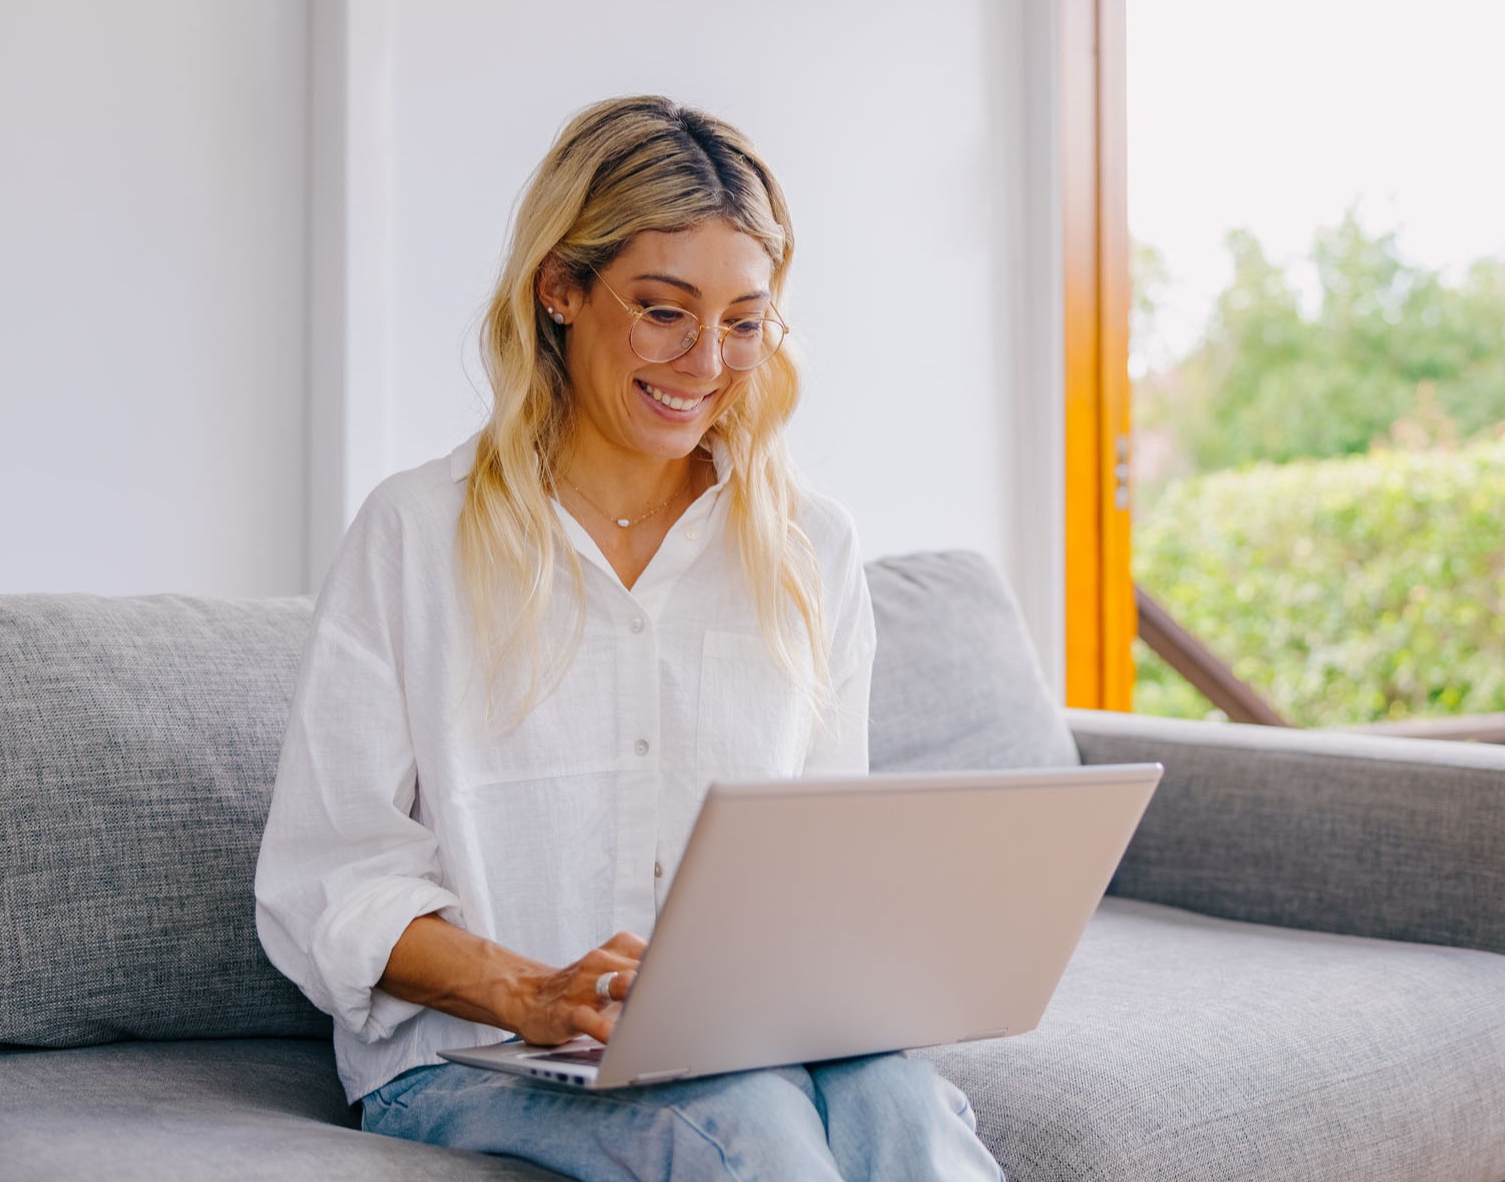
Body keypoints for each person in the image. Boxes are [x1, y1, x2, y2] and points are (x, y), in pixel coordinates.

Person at [253, 95, 1004, 1182]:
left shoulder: (810, 547)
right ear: (561, 287)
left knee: (900, 1100)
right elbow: (326, 880)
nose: (706, 362)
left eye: (745, 322)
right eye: (664, 311)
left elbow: (823, 868)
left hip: (741, 1039)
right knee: (746, 1125)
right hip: (477, 1056)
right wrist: (534, 992)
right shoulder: (416, 533)